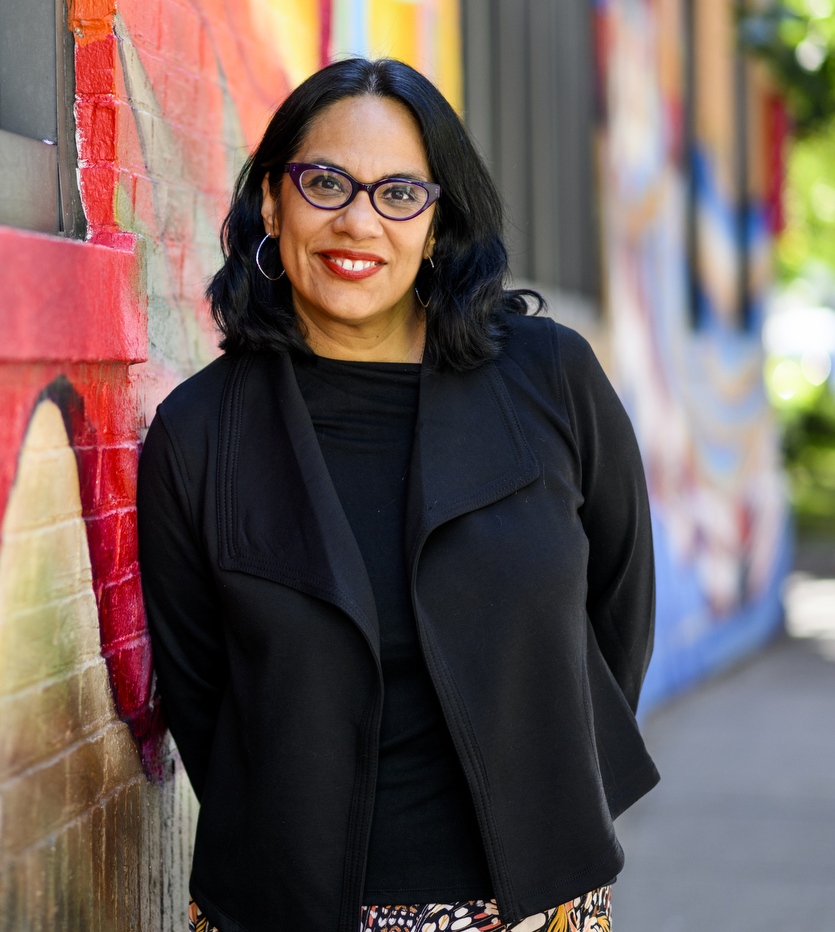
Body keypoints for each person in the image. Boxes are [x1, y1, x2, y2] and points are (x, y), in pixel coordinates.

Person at [137, 58, 658, 932]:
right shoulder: (197, 435)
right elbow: (204, 700)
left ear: (436, 219)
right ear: (272, 202)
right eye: (326, 182)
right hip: (286, 908)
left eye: (398, 195)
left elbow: (618, 606)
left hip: (537, 898)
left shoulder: (550, 376)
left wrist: (553, 777)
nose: (357, 222)